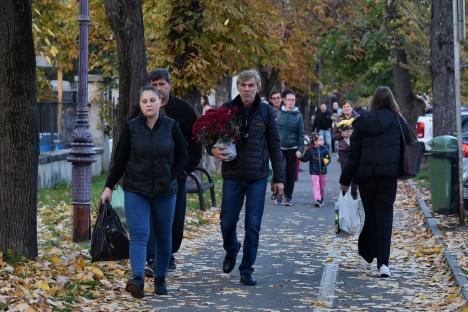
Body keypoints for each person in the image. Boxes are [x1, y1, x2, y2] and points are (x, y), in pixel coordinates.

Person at [101, 86, 188, 297]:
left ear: (160, 103)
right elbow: (120, 160)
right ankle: (138, 279)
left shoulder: (171, 126)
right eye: (145, 101)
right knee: (139, 235)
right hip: (136, 189)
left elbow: (183, 157)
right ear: (140, 105)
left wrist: (170, 176)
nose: (149, 104)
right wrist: (108, 186)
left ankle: (160, 278)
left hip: (165, 191)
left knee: (163, 236)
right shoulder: (131, 128)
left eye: (152, 100)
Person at [210, 69, 285, 286]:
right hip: (232, 175)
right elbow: (209, 136)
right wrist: (211, 150)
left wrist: (279, 178)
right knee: (227, 222)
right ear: (238, 87)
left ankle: (247, 269)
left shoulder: (266, 111)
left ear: (257, 87)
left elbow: (275, 145)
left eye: (251, 85)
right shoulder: (227, 110)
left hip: (257, 177)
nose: (247, 89)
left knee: (253, 224)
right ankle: (232, 248)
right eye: (243, 85)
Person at [339, 86, 410, 278]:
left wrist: (345, 180)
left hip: (367, 177)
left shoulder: (362, 123)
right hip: (388, 177)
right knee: (385, 216)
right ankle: (383, 263)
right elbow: (410, 141)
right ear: (391, 100)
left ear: (374, 101)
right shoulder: (398, 120)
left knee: (371, 214)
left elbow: (353, 156)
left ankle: (368, 249)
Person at [146, 69, 203, 275]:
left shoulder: (184, 110)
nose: (159, 88)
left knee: (174, 217)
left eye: (162, 84)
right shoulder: (144, 107)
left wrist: (187, 168)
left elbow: (196, 142)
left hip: (176, 172)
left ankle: (168, 253)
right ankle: (153, 257)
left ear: (170, 85)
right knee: (152, 215)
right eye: (154, 84)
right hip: (148, 173)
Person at [276, 89, 305, 206]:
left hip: (292, 148)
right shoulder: (278, 114)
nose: (291, 102)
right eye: (288, 100)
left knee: (291, 174)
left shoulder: (298, 116)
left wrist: (300, 149)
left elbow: (301, 134)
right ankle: (279, 192)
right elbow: (274, 131)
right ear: (284, 100)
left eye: (293, 100)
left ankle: (288, 197)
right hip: (279, 148)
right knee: (279, 171)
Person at [332, 100, 360, 199]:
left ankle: (354, 193)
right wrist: (341, 134)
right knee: (345, 171)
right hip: (343, 149)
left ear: (351, 108)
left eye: (348, 106)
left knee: (355, 171)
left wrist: (354, 134)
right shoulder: (338, 119)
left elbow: (363, 132)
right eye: (344, 107)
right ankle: (344, 193)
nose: (346, 108)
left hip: (355, 148)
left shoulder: (357, 118)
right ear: (342, 109)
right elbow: (333, 136)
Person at [300, 133, 330, 208]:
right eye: (320, 140)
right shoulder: (310, 150)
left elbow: (328, 157)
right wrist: (300, 157)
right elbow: (306, 159)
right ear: (314, 141)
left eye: (322, 139)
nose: (322, 141)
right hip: (314, 171)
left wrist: (327, 161)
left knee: (322, 186)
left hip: (322, 171)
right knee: (316, 185)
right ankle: (317, 200)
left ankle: (321, 198)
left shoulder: (324, 148)